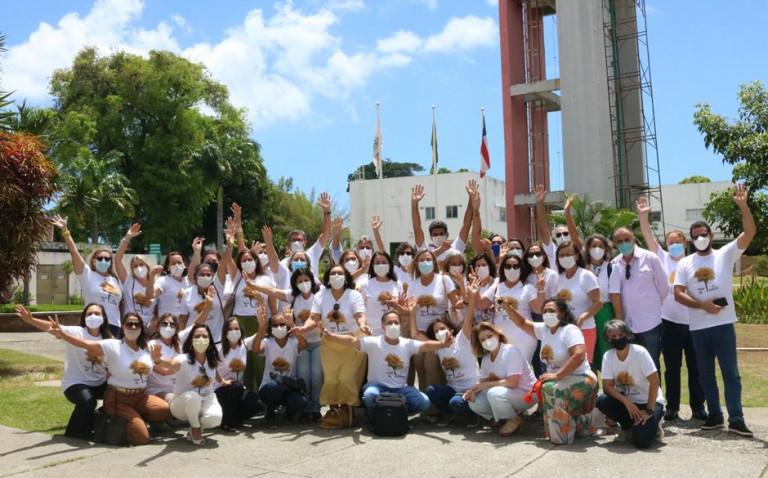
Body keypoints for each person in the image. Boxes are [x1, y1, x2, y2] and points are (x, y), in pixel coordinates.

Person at [674, 184, 755, 437]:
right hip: (698, 327)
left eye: (704, 233)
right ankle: (715, 416)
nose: (700, 238)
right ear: (691, 238)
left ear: (710, 234)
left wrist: (743, 206)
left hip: (722, 326)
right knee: (705, 375)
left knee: (731, 373)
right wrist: (702, 305)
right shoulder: (686, 263)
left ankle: (737, 418)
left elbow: (750, 232)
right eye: (696, 235)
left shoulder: (724, 254)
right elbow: (678, 293)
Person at [48, 312, 171, 446]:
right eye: (130, 324)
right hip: (119, 399)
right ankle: (111, 418)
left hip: (141, 396)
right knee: (141, 438)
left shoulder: (146, 348)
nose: (133, 327)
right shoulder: (113, 345)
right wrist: (63, 334)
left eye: (137, 324)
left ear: (142, 328)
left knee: (164, 410)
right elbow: (85, 344)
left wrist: (157, 359)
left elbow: (165, 366)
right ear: (123, 327)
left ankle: (133, 419)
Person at [637, 196, 707, 421]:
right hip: (669, 322)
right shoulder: (663, 258)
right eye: (670, 242)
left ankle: (698, 407)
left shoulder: (695, 261)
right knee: (672, 368)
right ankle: (673, 407)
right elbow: (648, 238)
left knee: (696, 367)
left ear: (685, 243)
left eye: (678, 241)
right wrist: (643, 216)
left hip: (695, 321)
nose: (674, 245)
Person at [502, 298, 597, 445]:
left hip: (581, 377)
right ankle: (579, 425)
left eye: (552, 311)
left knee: (550, 388)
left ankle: (562, 437)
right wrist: (508, 308)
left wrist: (558, 375)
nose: (547, 314)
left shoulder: (570, 330)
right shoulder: (544, 330)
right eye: (544, 311)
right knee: (546, 386)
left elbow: (579, 354)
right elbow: (522, 323)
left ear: (563, 314)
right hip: (560, 379)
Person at [323, 310, 445, 421]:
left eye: (396, 322)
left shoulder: (407, 344)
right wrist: (330, 336)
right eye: (389, 323)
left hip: (400, 389)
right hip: (378, 387)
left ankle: (399, 413)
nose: (393, 325)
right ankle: (375, 415)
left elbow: (426, 345)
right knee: (369, 395)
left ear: (400, 325)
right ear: (382, 326)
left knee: (424, 401)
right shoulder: (374, 342)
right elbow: (352, 341)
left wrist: (442, 344)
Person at [16, 304, 112, 440]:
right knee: (88, 401)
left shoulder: (108, 338)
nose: (93, 316)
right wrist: (31, 320)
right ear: (84, 317)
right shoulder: (76, 332)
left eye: (97, 313)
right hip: (76, 384)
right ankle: (74, 434)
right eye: (89, 314)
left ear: (104, 318)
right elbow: (53, 327)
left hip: (100, 383)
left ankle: (101, 426)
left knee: (120, 395)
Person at [299, 264, 371, 429]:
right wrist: (304, 328)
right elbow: (314, 317)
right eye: (333, 273)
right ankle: (335, 412)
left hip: (351, 341)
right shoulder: (321, 295)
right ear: (328, 277)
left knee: (346, 378)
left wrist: (363, 325)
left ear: (346, 277)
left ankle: (349, 413)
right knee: (331, 379)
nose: (336, 275)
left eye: (340, 273)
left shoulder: (354, 295)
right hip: (329, 343)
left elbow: (360, 315)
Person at [248, 267, 324, 421]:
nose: (303, 283)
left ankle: (315, 408)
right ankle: (304, 408)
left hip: (317, 342)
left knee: (316, 375)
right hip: (299, 342)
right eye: (299, 281)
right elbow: (273, 291)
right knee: (303, 375)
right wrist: (253, 285)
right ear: (295, 284)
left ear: (312, 280)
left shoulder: (319, 296)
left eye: (306, 280)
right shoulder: (293, 297)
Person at [562, 193, 616, 370]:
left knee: (608, 351)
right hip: (586, 312)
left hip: (606, 311)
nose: (597, 249)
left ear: (606, 249)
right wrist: (568, 213)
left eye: (601, 246)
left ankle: (608, 387)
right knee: (590, 355)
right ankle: (592, 387)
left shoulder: (612, 266)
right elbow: (575, 237)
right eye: (593, 246)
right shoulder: (584, 267)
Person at [151, 323, 225, 445]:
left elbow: (214, 372)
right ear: (191, 340)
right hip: (182, 405)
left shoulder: (212, 359)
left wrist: (223, 381)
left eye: (204, 336)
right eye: (197, 336)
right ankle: (195, 429)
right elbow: (171, 364)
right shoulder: (183, 359)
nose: (201, 339)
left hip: (207, 400)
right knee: (192, 396)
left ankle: (194, 429)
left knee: (215, 419)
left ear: (210, 340)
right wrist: (158, 360)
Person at [50, 215, 123, 337]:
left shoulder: (115, 280)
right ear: (94, 260)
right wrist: (65, 230)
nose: (104, 261)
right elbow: (74, 252)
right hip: (93, 326)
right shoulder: (87, 274)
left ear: (111, 262)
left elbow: (120, 306)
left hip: (114, 327)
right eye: (100, 258)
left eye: (107, 259)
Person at [597, 320, 665, 449]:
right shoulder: (608, 356)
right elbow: (607, 386)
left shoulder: (640, 352)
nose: (617, 338)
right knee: (602, 400)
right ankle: (627, 427)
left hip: (649, 402)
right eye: (613, 336)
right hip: (629, 403)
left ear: (627, 335)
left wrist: (649, 410)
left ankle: (655, 424)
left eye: (621, 335)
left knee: (642, 443)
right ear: (608, 339)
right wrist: (627, 402)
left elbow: (655, 381)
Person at [609, 227, 669, 369]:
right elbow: (615, 294)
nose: (624, 244)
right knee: (632, 366)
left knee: (651, 365)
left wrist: (653, 305)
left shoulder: (650, 258)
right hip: (627, 326)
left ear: (634, 239)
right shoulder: (614, 264)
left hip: (650, 324)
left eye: (627, 240)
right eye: (619, 241)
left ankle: (654, 392)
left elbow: (664, 288)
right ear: (614, 244)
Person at [423, 280, 481, 424]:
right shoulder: (439, 347)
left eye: (442, 329)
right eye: (436, 331)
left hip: (472, 389)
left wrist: (471, 298)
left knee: (456, 403)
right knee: (431, 390)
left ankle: (473, 415)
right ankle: (449, 414)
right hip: (453, 390)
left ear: (451, 331)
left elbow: (469, 319)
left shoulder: (462, 338)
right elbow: (416, 336)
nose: (439, 332)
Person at [465, 321, 537, 436]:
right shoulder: (486, 358)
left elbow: (513, 382)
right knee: (474, 401)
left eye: (490, 336)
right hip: (507, 394)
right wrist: (472, 391)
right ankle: (502, 417)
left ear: (497, 334)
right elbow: (482, 382)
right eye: (483, 340)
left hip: (527, 394)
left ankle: (514, 419)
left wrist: (486, 385)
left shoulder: (510, 350)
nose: (487, 341)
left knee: (494, 393)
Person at [407, 249, 463, 391]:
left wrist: (468, 294)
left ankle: (436, 404)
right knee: (419, 364)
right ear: (416, 264)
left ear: (434, 262)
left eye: (428, 260)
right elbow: (410, 309)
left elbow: (456, 302)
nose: (425, 263)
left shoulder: (444, 279)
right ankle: (424, 402)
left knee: (430, 366)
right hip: (419, 333)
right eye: (421, 260)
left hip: (438, 333)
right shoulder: (413, 284)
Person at [476, 252, 542, 362]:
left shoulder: (528, 288)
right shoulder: (497, 286)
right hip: (501, 337)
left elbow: (538, 309)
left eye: (516, 266)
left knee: (521, 371)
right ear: (503, 268)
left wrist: (541, 289)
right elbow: (481, 304)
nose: (512, 269)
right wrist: (475, 290)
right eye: (508, 266)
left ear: (521, 269)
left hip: (524, 338)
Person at [256, 311, 309, 426]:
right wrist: (261, 327)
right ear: (271, 328)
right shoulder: (267, 342)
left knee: (300, 401)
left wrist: (292, 324)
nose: (279, 327)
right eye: (275, 325)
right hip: (268, 388)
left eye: (282, 324)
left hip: (289, 387)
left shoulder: (293, 342)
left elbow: (305, 345)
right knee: (274, 386)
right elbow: (256, 349)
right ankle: (270, 413)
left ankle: (289, 413)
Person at [553, 242, 602, 364]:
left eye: (568, 254)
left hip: (584, 329)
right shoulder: (559, 278)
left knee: (585, 366)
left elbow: (598, 303)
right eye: (561, 255)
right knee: (567, 366)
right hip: (564, 330)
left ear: (576, 256)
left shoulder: (586, 276)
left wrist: (582, 317)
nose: (565, 258)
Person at [215, 317, 264, 430]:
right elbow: (211, 368)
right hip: (221, 389)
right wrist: (222, 381)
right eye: (230, 329)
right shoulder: (219, 349)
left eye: (236, 328)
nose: (234, 331)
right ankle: (226, 423)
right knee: (235, 388)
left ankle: (235, 417)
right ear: (225, 332)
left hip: (238, 389)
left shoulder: (245, 344)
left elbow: (259, 335)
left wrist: (262, 323)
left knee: (258, 404)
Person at [410, 182, 472, 266]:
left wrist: (471, 199)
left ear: (447, 234)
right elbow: (417, 228)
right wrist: (414, 204)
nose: (438, 236)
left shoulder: (455, 247)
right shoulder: (425, 249)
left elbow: (466, 225)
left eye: (441, 233)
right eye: (435, 234)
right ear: (430, 237)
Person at [114, 223, 161, 330]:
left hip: (151, 329)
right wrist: (127, 238)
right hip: (131, 326)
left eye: (141, 264)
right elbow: (117, 259)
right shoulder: (128, 281)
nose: (138, 268)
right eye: (135, 266)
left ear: (147, 266)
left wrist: (154, 323)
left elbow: (158, 305)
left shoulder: (157, 282)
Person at [279, 192, 332, 279]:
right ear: (288, 243)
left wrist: (327, 212)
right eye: (293, 240)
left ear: (305, 242)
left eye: (299, 240)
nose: (296, 242)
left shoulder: (312, 253)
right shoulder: (283, 263)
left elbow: (326, 233)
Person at [360, 251, 404, 336]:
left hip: (394, 331)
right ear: (373, 266)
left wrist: (396, 305)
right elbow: (361, 310)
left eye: (384, 262)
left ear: (390, 265)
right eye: (377, 263)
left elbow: (402, 308)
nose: (381, 265)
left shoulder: (397, 284)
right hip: (373, 332)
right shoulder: (365, 285)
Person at [146, 314, 182, 402]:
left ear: (176, 328)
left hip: (177, 389)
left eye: (172, 324)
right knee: (176, 401)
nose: (168, 326)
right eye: (164, 324)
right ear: (158, 327)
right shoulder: (151, 345)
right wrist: (179, 367)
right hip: (158, 390)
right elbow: (162, 371)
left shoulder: (179, 346)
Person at [154, 250, 192, 320]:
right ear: (168, 267)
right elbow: (153, 295)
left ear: (184, 264)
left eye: (179, 262)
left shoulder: (189, 281)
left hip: (185, 324)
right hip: (167, 323)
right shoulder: (162, 280)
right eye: (173, 263)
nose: (177, 265)